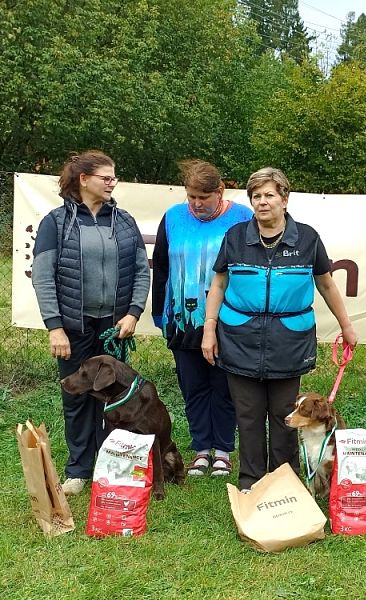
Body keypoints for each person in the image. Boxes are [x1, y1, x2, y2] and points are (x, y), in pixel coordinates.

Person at [201, 167, 358, 492]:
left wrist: (346, 326)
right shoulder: (235, 238)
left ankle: (284, 482)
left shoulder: (308, 239)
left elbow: (326, 285)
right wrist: (209, 328)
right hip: (239, 340)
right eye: (256, 196)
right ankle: (251, 483)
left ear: (284, 199)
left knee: (287, 419)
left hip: (290, 343)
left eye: (269, 195)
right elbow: (219, 284)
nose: (262, 202)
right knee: (248, 417)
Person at [32, 150, 150, 496]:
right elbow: (43, 277)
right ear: (84, 180)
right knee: (77, 398)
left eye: (114, 178)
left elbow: (141, 271)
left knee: (114, 400)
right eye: (106, 177)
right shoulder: (55, 223)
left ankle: (110, 466)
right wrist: (55, 326)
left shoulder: (124, 222)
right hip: (73, 328)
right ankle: (78, 471)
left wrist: (133, 313)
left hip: (114, 328)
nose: (112, 183)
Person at [151, 160, 252, 477]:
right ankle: (201, 450)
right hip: (182, 321)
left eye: (203, 197)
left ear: (219, 191)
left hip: (228, 321)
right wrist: (159, 313)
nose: (196, 204)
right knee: (193, 388)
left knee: (223, 388)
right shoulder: (172, 218)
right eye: (191, 196)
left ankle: (223, 450)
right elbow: (162, 268)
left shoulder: (243, 218)